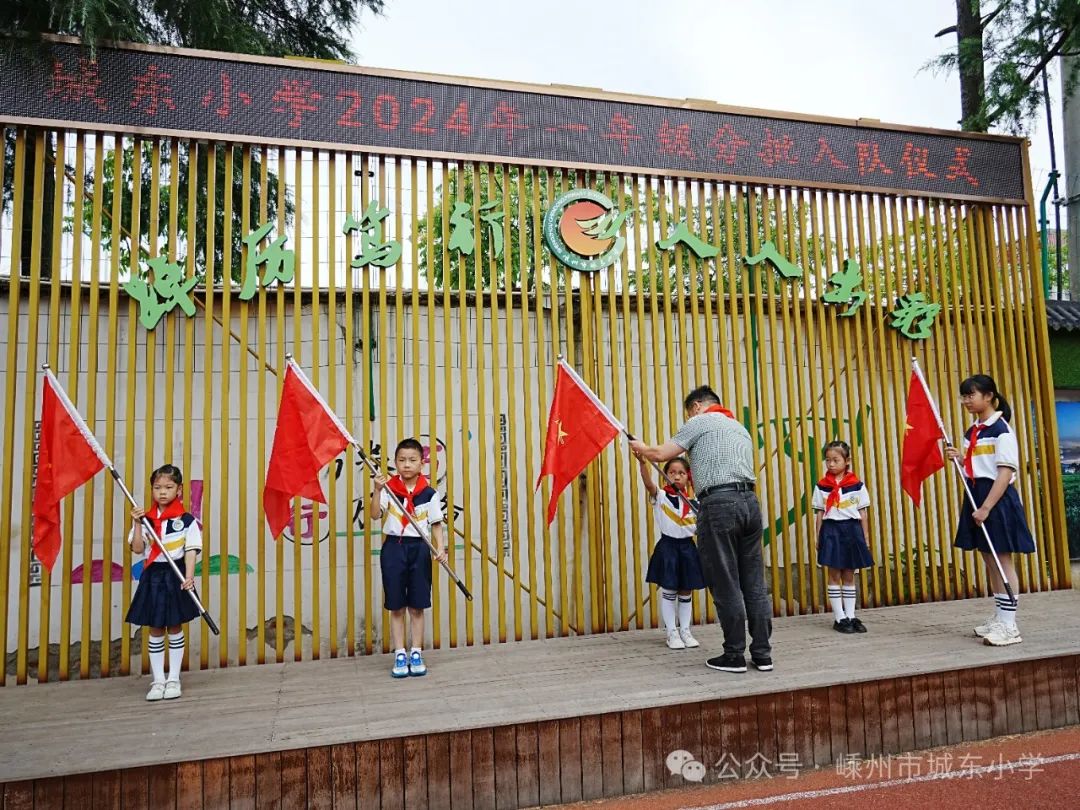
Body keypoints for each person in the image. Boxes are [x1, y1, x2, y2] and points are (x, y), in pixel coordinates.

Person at [629, 385, 772, 674]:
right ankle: (762, 654)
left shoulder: (700, 420)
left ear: (696, 406)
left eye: (688, 412)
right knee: (754, 584)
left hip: (719, 505)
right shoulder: (738, 427)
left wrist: (641, 448)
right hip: (750, 504)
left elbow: (661, 454)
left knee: (725, 581)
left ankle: (733, 655)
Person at [945, 375, 1035, 647]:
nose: (966, 401)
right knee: (989, 558)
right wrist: (960, 459)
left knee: (1002, 559)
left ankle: (1010, 626)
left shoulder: (1001, 430)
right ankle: (1000, 616)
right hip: (976, 493)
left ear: (989, 396)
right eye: (963, 396)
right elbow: (974, 468)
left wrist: (986, 507)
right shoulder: (973, 432)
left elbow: (1005, 472)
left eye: (971, 395)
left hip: (995, 498)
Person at [370, 438, 447, 677]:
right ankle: (400, 653)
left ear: (421, 464)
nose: (406, 465)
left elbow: (436, 525)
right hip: (394, 548)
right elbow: (374, 515)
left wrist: (441, 549)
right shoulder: (389, 490)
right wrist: (377, 490)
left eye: (412, 460)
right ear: (395, 462)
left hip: (420, 548)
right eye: (401, 460)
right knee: (396, 605)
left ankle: (416, 651)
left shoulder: (429, 493)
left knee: (417, 605)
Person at [126, 464, 201, 701]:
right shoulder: (145, 519)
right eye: (157, 487)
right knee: (155, 627)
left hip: (176, 574)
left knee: (175, 625)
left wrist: (189, 577)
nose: (162, 492)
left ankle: (174, 679)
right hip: (153, 575)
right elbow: (138, 548)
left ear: (179, 490)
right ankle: (158, 680)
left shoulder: (187, 520)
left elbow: (191, 550)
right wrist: (137, 524)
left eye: (168, 487)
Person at [638, 456, 705, 650]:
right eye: (672, 473)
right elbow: (648, 483)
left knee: (686, 590)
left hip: (688, 548)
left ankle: (685, 630)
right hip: (668, 547)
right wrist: (642, 464)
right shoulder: (660, 496)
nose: (676, 476)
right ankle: (671, 632)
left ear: (688, 477)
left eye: (681, 473)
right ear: (665, 476)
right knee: (669, 589)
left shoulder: (695, 504)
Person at [812, 441, 872, 634]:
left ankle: (851, 615)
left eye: (835, 460)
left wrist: (865, 537)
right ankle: (839, 617)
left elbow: (863, 513)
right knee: (834, 573)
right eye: (827, 460)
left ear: (847, 461)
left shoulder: (857, 485)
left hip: (852, 530)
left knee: (849, 574)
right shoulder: (822, 486)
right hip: (831, 530)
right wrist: (817, 536)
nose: (830, 464)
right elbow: (820, 514)